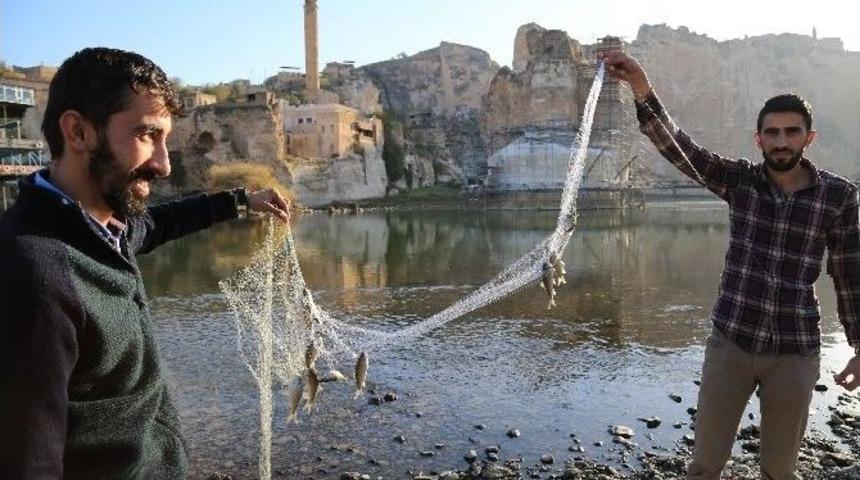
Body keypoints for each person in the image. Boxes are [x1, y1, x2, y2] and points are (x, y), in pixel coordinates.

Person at [0, 47, 290, 479]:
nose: (164, 164)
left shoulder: (102, 230)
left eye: (165, 139)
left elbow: (159, 224)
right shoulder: (33, 272)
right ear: (78, 132)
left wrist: (242, 201)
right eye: (146, 135)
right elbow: (28, 461)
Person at [602, 50, 860, 479]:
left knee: (779, 471)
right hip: (731, 344)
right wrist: (641, 87)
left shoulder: (839, 196)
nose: (781, 141)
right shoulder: (739, 180)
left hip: (795, 351)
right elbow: (678, 148)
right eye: (772, 133)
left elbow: (851, 274)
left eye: (791, 132)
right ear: (758, 139)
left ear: (808, 138)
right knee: (704, 466)